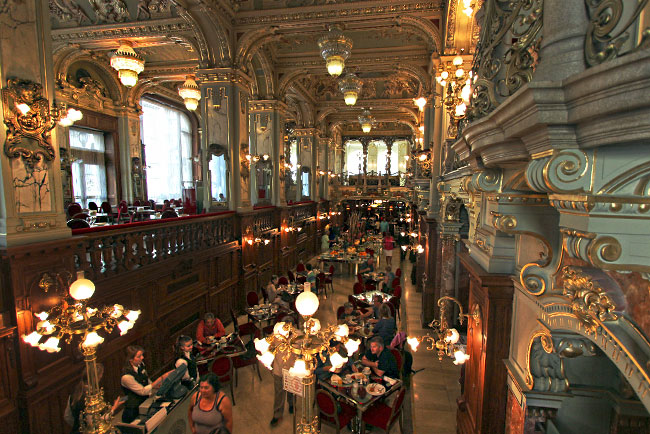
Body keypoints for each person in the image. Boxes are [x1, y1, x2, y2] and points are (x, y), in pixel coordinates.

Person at [65, 363, 121, 434]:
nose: (101, 377)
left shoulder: (75, 393)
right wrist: (114, 408)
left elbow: (67, 416)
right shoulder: (91, 397)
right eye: (100, 375)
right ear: (95, 378)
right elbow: (95, 423)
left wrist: (79, 424)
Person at [121, 346, 171, 423]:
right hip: (133, 410)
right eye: (139, 356)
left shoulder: (140, 365)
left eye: (142, 355)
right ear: (130, 359)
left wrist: (155, 385)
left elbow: (146, 379)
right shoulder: (126, 377)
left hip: (144, 403)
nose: (142, 357)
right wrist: (160, 379)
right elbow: (142, 391)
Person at [270, 316, 296, 426]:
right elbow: (269, 348)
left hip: (291, 369)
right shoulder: (275, 335)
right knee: (279, 393)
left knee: (291, 389)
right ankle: (277, 414)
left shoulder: (297, 336)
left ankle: (292, 404)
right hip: (278, 369)